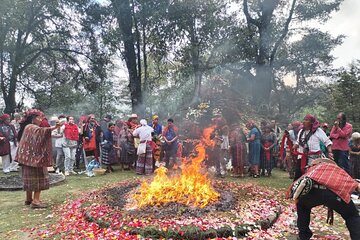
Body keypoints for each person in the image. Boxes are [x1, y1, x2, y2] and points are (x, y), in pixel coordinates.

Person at [289, 158, 360, 240]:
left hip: (313, 192)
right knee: (352, 216)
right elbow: (357, 186)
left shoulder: (312, 169)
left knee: (302, 205)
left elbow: (298, 186)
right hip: (333, 195)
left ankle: (304, 235)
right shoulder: (338, 171)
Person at [16, 109, 62, 208]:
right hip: (34, 159)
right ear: (33, 118)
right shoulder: (32, 127)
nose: (41, 119)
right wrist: (55, 127)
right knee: (38, 178)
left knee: (28, 178)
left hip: (27, 158)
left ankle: (28, 199)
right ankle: (36, 201)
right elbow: (42, 132)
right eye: (39, 117)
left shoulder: (28, 127)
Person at [293, 114, 333, 180]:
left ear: (311, 122)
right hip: (302, 158)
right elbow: (298, 142)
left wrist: (330, 152)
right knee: (297, 177)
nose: (303, 121)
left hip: (314, 159)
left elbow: (327, 142)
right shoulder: (301, 131)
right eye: (304, 119)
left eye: (306, 120)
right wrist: (294, 146)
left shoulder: (318, 131)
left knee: (312, 178)